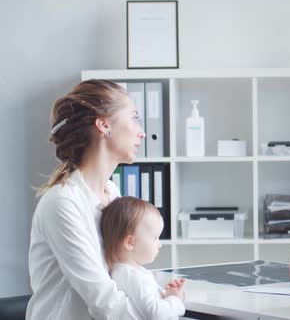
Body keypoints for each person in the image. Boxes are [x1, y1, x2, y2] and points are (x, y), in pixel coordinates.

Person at [27, 79, 147, 319]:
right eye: (134, 118)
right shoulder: (62, 202)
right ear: (104, 125)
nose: (142, 132)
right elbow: (103, 300)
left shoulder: (112, 193)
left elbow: (124, 271)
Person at [100, 196, 186, 319]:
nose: (159, 244)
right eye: (155, 237)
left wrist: (165, 295)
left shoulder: (130, 272)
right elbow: (155, 314)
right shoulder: (131, 276)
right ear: (131, 242)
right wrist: (176, 300)